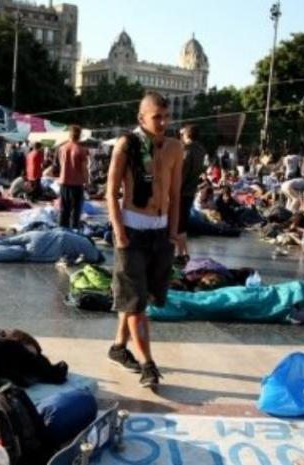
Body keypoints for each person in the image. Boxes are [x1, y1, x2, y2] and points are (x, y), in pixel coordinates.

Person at [106, 92, 183, 389]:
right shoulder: (127, 144)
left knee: (142, 297)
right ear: (142, 118)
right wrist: (119, 232)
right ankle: (148, 365)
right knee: (137, 304)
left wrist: (174, 232)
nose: (163, 122)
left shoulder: (176, 147)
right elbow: (111, 192)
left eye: (166, 116)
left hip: (161, 232)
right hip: (133, 232)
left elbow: (175, 195)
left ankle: (117, 347)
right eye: (157, 117)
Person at [177, 124, 205, 263]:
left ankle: (181, 254)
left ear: (187, 135)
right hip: (191, 191)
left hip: (181, 191)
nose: (180, 137)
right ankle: (183, 253)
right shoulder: (201, 150)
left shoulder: (187, 150)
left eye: (182, 134)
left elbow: (182, 174)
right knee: (182, 223)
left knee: (178, 224)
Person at [57, 124, 89, 229]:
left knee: (63, 210)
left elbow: (60, 165)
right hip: (76, 184)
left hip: (64, 182)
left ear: (69, 135)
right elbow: (84, 169)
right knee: (75, 212)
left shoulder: (61, 148)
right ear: (79, 136)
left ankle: (61, 232)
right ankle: (74, 234)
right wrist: (87, 181)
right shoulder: (81, 150)